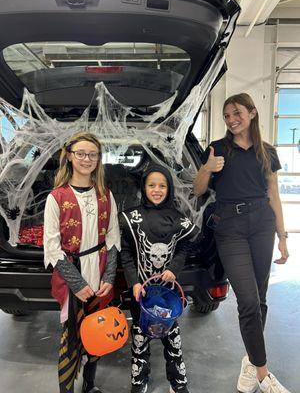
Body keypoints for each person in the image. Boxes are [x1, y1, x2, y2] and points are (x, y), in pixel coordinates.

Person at [193, 93, 290, 393]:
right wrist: (208, 168)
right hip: (230, 227)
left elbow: (273, 195)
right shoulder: (218, 149)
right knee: (247, 300)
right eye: (226, 115)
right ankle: (263, 374)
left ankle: (249, 362)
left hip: (262, 225)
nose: (232, 119)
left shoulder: (267, 152)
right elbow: (197, 190)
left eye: (237, 113)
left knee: (260, 301)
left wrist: (283, 237)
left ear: (252, 112)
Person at [43, 132, 120, 393]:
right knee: (72, 335)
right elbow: (52, 248)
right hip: (71, 276)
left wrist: (109, 277)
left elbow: (112, 239)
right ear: (70, 157)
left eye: (92, 154)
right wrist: (76, 283)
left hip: (98, 273)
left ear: (98, 159)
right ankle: (66, 388)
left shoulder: (105, 195)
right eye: (81, 153)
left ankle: (89, 385)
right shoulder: (57, 197)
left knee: (97, 332)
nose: (87, 159)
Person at [120, 164, 199, 393]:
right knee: (140, 337)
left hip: (167, 292)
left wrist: (174, 268)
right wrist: (134, 281)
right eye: (151, 185)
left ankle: (178, 382)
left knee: (172, 336)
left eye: (162, 185)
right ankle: (139, 380)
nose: (157, 190)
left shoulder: (177, 218)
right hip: (141, 292)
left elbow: (185, 247)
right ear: (144, 188)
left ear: (169, 188)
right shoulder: (131, 218)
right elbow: (126, 253)